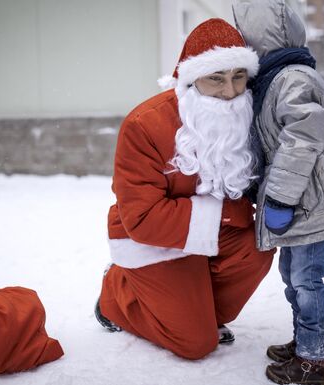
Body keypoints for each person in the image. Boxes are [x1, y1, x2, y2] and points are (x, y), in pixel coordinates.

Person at [94, 18, 275, 360]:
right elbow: (142, 217)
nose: (230, 91)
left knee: (259, 246)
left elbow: (298, 144)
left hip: (216, 228)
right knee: (196, 345)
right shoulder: (144, 125)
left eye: (239, 77)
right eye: (216, 79)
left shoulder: (248, 111)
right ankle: (115, 293)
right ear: (190, 80)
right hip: (150, 238)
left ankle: (201, 315)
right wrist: (225, 214)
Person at [232, 1, 324, 384]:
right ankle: (304, 341)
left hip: (308, 200)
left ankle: (315, 360)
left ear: (263, 37)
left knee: (308, 279)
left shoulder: (293, 78)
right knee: (292, 275)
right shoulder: (273, 79)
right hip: (297, 198)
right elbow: (270, 140)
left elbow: (302, 139)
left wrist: (279, 196)